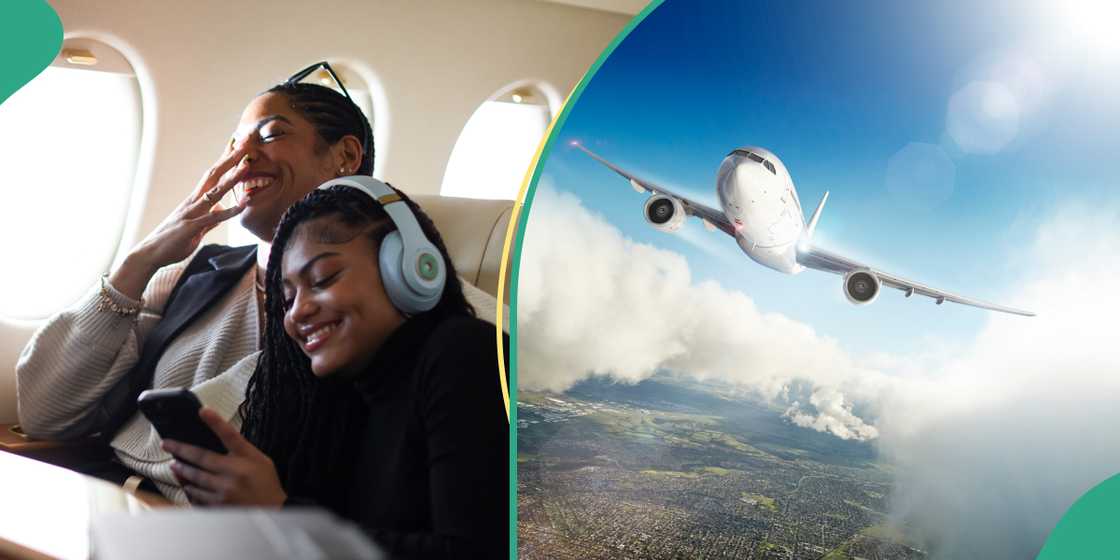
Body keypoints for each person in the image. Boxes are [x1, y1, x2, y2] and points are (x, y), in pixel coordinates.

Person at [15, 62, 501, 503]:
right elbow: (45, 414)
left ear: (345, 156)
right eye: (233, 144)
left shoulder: (411, 307)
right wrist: (138, 264)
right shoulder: (194, 273)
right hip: (104, 495)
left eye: (268, 135)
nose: (242, 157)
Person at [161, 181, 508, 559]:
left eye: (323, 280)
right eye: (287, 299)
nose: (297, 314)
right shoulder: (339, 403)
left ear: (409, 267)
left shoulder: (465, 353)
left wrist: (280, 514)